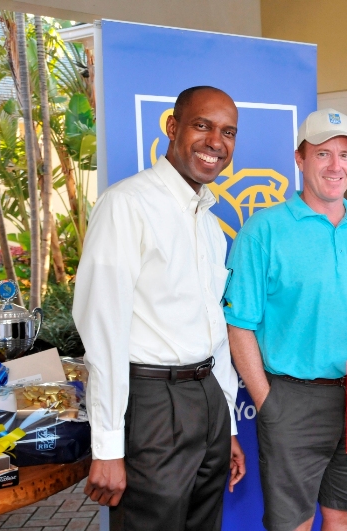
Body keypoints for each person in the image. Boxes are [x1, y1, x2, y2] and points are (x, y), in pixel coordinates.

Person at [73, 86, 246, 531]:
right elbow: (103, 331)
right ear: (173, 128)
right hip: (152, 402)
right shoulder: (126, 204)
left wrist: (225, 423)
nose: (216, 142)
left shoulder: (209, 224)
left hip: (207, 397)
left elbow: (214, 326)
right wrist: (108, 447)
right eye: (202, 125)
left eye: (228, 132)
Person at [224, 108, 347, 531]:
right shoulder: (264, 230)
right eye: (323, 154)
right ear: (300, 160)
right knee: (293, 524)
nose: (336, 166)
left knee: (345, 519)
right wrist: (268, 401)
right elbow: (239, 324)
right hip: (294, 399)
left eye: (345, 154)